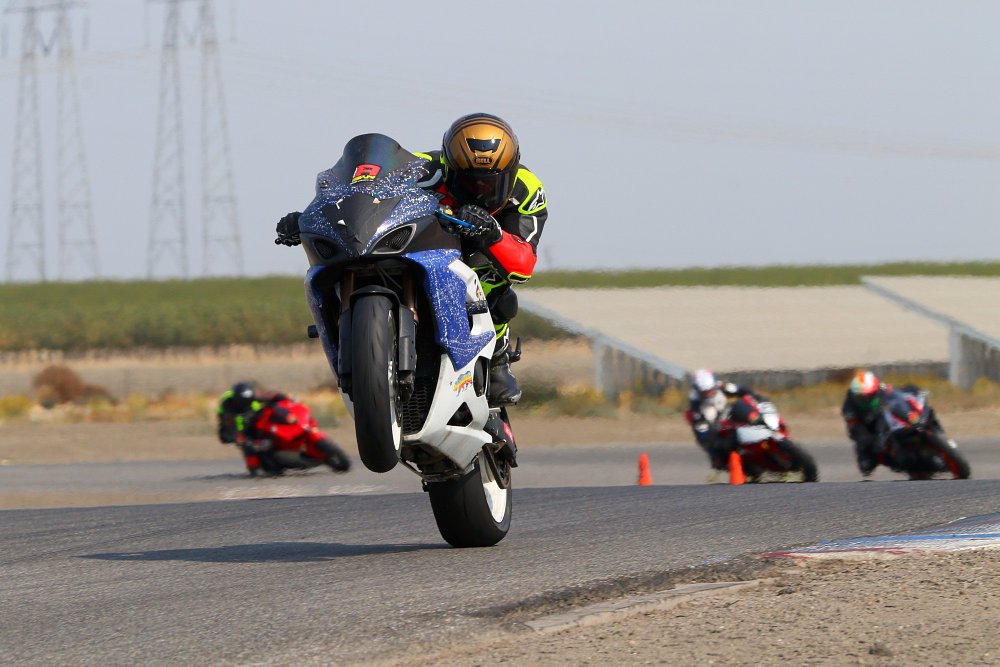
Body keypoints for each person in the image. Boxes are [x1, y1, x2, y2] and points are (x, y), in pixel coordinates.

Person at [274, 113, 547, 405]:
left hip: (482, 249)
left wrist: (492, 233)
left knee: (495, 282)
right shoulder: (419, 167)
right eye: (469, 183)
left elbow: (522, 266)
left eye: (490, 184)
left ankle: (497, 355)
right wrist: (313, 217)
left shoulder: (527, 190)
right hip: (428, 247)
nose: (480, 192)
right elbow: (358, 191)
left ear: (511, 172)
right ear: (449, 167)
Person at [216, 381, 349, 476]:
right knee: (251, 448)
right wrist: (241, 439)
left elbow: (275, 397)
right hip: (244, 431)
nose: (247, 404)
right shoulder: (227, 408)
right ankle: (256, 468)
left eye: (249, 401)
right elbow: (227, 433)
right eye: (243, 403)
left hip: (260, 421)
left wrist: (289, 400)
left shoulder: (254, 397)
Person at [684, 368, 765, 471]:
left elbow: (742, 390)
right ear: (698, 390)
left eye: (710, 389)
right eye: (705, 392)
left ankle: (760, 422)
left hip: (731, 415)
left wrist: (758, 398)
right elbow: (701, 431)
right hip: (717, 428)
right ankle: (719, 458)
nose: (708, 393)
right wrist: (709, 432)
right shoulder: (695, 403)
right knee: (705, 435)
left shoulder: (722, 386)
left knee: (739, 404)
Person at [841, 370, 891, 476]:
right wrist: (870, 441)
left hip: (886, 424)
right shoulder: (849, 404)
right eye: (860, 397)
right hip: (866, 428)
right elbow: (854, 429)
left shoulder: (884, 391)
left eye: (869, 396)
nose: (865, 399)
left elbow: (899, 400)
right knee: (865, 466)